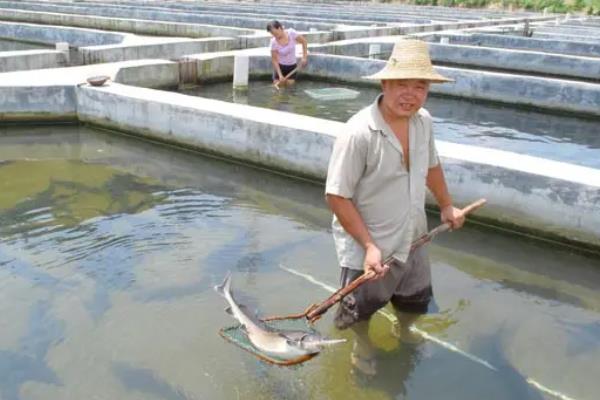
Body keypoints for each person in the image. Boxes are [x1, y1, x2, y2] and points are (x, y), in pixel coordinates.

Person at [324, 39, 465, 376]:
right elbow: (336, 196)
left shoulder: (423, 121)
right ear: (385, 84)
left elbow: (431, 165)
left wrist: (446, 205)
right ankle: (363, 344)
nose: (411, 94)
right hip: (370, 246)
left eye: (420, 86)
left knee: (415, 299)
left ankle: (403, 330)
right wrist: (369, 246)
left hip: (414, 235)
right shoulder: (359, 133)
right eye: (402, 84)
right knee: (360, 309)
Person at [266, 20, 308, 87]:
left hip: (292, 67)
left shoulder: (291, 33)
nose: (275, 36)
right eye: (273, 34)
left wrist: (304, 57)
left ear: (279, 28)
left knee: (289, 89)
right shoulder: (273, 42)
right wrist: (280, 76)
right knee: (278, 91)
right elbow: (274, 60)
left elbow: (304, 41)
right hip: (280, 67)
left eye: (276, 33)